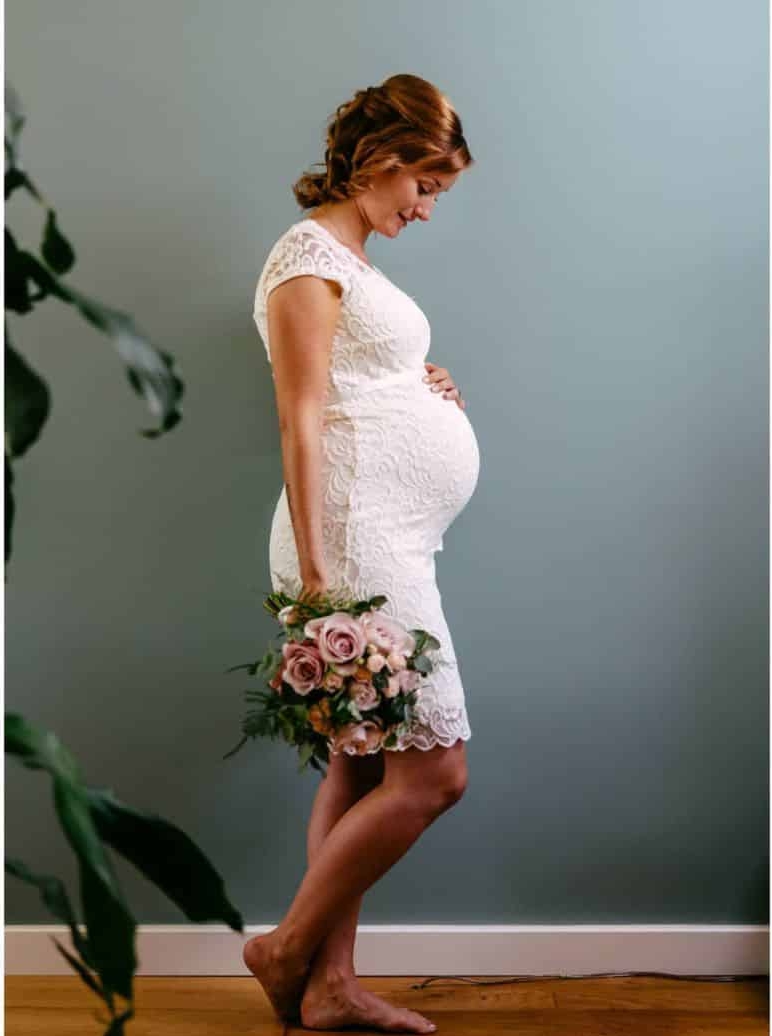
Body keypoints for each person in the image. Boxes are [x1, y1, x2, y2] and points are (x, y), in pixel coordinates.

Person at [244, 73, 479, 1033]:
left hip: (394, 534)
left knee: (361, 765)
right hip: (348, 540)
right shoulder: (306, 258)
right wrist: (313, 579)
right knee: (434, 773)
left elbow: (352, 376)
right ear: (382, 163)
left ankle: (331, 988)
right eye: (424, 187)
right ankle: (288, 948)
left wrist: (422, 384)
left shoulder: (353, 260)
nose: (425, 209)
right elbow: (299, 417)